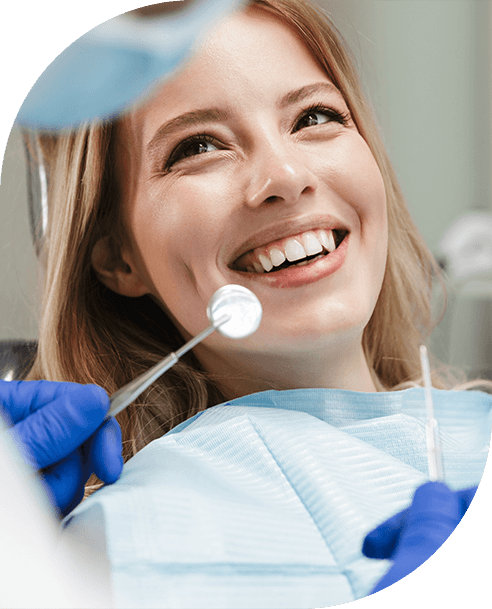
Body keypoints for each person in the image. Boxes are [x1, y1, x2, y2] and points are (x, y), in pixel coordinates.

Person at [7, 0, 491, 606]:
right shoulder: (86, 554)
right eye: (198, 147)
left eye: (315, 115)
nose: (285, 176)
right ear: (117, 260)